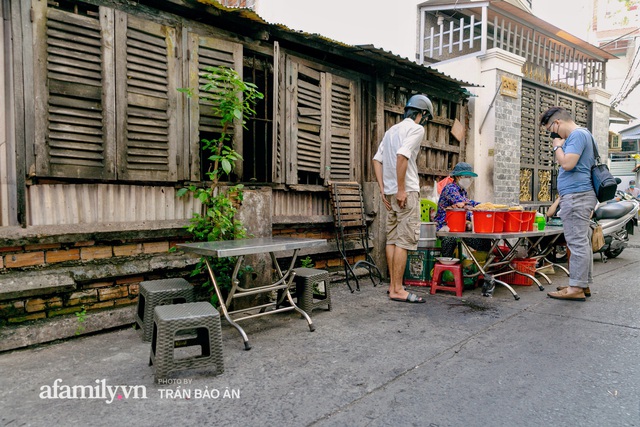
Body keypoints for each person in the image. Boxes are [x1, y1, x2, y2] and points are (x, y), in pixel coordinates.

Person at [373, 94, 433, 303]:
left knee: (392, 239)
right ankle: (398, 289)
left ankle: (393, 286)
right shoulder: (416, 128)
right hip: (405, 193)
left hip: (390, 193)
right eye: (426, 117)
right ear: (422, 114)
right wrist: (401, 189)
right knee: (405, 240)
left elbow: (376, 160)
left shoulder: (391, 131)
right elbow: (402, 156)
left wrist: (383, 189)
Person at [540, 106, 597, 301]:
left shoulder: (577, 135)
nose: (553, 134)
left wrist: (557, 146)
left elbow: (567, 164)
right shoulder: (584, 134)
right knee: (582, 242)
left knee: (577, 243)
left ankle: (576, 288)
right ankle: (581, 284)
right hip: (579, 195)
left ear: (557, 123)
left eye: (550, 130)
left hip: (576, 196)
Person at [434, 162, 491, 257]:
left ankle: (482, 265)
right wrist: (480, 208)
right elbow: (464, 203)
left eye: (470, 177)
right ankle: (446, 264)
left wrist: (481, 211)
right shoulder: (450, 189)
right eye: (466, 177)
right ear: (457, 177)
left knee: (484, 241)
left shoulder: (463, 191)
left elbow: (466, 209)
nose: (469, 180)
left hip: (459, 226)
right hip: (445, 227)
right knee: (450, 239)